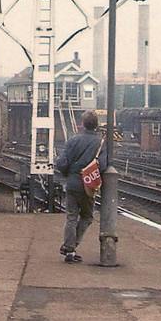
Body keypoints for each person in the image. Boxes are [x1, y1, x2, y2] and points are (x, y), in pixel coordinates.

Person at [54, 110, 107, 263]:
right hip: (89, 184)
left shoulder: (73, 140)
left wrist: (69, 175)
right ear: (96, 125)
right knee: (87, 217)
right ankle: (71, 246)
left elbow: (61, 162)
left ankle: (69, 249)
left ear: (83, 124)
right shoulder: (101, 143)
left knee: (71, 215)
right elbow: (102, 166)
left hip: (72, 183)